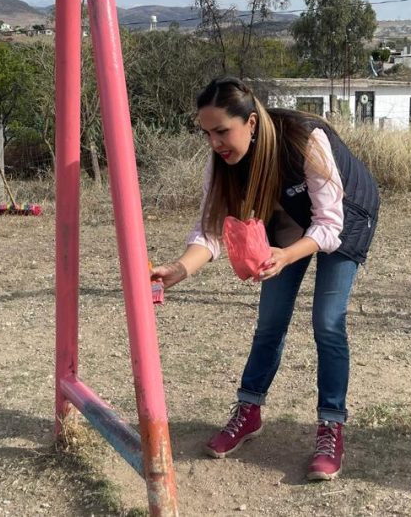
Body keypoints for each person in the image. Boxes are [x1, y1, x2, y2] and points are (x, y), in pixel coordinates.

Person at [151, 76, 380, 481]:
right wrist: (180, 268)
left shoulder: (304, 139)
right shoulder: (221, 163)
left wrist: (287, 255)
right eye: (207, 133)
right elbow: (209, 230)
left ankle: (331, 425)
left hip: (345, 216)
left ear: (252, 123)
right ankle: (249, 411)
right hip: (288, 220)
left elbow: (329, 225)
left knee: (327, 321)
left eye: (222, 131)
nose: (215, 143)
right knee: (270, 321)